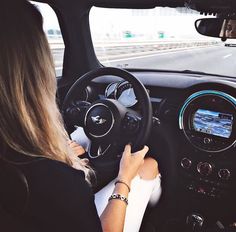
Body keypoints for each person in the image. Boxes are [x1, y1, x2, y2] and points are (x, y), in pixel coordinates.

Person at [0, 1, 161, 232]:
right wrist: (124, 177)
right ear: (36, 70)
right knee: (148, 165)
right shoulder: (56, 181)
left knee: (79, 138)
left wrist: (60, 154)